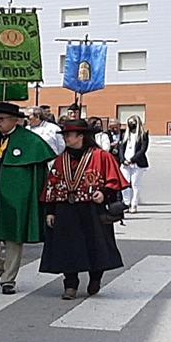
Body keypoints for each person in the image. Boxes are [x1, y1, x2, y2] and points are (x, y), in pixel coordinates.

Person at [41, 117, 128, 299]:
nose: (65, 138)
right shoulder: (61, 159)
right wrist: (50, 211)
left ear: (80, 136)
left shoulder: (100, 156)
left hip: (92, 209)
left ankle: (95, 277)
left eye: (69, 134)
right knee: (67, 247)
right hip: (66, 209)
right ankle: (70, 285)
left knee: (95, 245)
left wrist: (104, 193)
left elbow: (114, 181)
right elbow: (52, 184)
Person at [0, 102, 53, 294]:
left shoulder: (31, 141)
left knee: (14, 238)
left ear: (15, 120)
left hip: (16, 198)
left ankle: (8, 279)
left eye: (1, 119)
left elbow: (39, 173)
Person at [114, 117, 150, 211]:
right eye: (129, 122)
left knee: (135, 184)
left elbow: (143, 149)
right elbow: (121, 148)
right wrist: (123, 160)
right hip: (125, 163)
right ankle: (126, 203)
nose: (131, 124)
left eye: (133, 122)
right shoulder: (125, 135)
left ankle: (134, 204)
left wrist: (132, 159)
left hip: (137, 163)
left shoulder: (143, 135)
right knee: (125, 184)